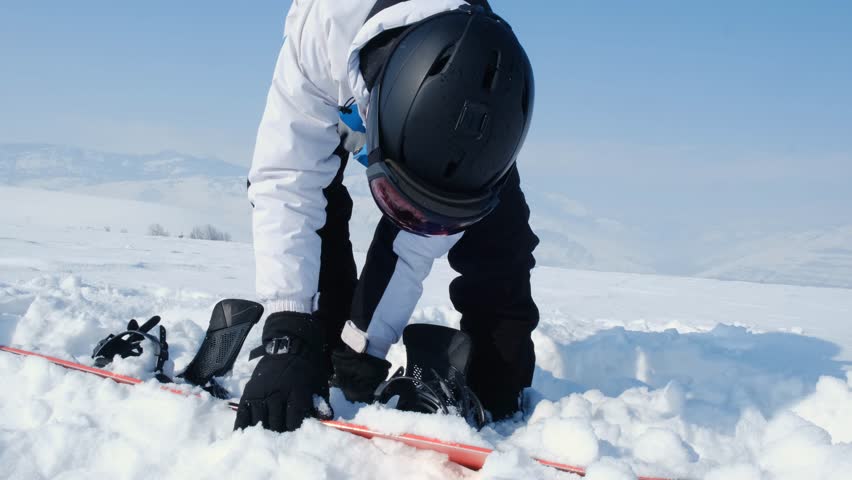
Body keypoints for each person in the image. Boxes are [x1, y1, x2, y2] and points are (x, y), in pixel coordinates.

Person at [235, 0, 539, 434]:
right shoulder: (321, 35)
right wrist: (289, 331)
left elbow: (419, 238)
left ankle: (497, 382)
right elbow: (287, 182)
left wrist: (364, 344)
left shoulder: (492, 82)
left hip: (454, 103)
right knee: (317, 200)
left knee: (501, 239)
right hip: (343, 72)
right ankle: (319, 342)